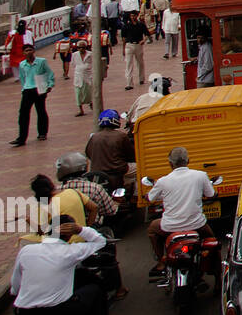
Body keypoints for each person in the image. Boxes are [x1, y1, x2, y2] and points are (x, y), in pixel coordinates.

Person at [10, 215, 110, 315]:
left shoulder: (26, 251)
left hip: (24, 311)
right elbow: (100, 242)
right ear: (69, 235)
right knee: (95, 290)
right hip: (58, 310)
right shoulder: (70, 252)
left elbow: (16, 286)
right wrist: (80, 230)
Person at [146, 147, 216, 277]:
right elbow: (211, 195)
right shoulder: (200, 175)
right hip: (197, 225)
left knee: (152, 229)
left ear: (170, 164)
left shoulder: (162, 181)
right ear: (188, 161)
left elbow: (150, 199)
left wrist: (148, 195)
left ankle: (161, 260)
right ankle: (218, 279)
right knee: (214, 243)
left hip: (170, 227)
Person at [10, 44, 54, 146]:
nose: (28, 52)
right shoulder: (22, 65)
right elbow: (22, 77)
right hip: (27, 89)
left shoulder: (41, 62)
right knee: (23, 114)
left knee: (41, 111)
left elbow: (49, 73)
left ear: (33, 51)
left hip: (40, 88)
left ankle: (42, 133)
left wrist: (50, 85)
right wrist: (23, 88)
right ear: (23, 53)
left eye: (30, 50)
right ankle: (22, 138)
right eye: (26, 51)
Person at [85, 109, 136, 191]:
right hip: (117, 171)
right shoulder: (121, 136)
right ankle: (136, 196)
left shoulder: (94, 137)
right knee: (140, 169)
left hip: (97, 173)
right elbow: (132, 156)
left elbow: (88, 154)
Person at [121, 11, 152, 90]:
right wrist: (123, 49)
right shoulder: (126, 26)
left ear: (136, 16)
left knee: (140, 63)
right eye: (131, 16)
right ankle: (129, 83)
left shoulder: (141, 25)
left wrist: (143, 40)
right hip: (129, 45)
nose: (133, 17)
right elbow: (123, 38)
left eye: (134, 16)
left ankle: (141, 79)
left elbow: (147, 34)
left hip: (138, 45)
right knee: (129, 64)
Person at [71, 40, 94, 116]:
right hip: (78, 76)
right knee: (78, 94)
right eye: (79, 47)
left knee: (88, 93)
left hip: (87, 77)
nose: (81, 49)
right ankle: (81, 110)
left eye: (83, 47)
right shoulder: (74, 55)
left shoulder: (90, 54)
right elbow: (73, 64)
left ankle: (91, 104)